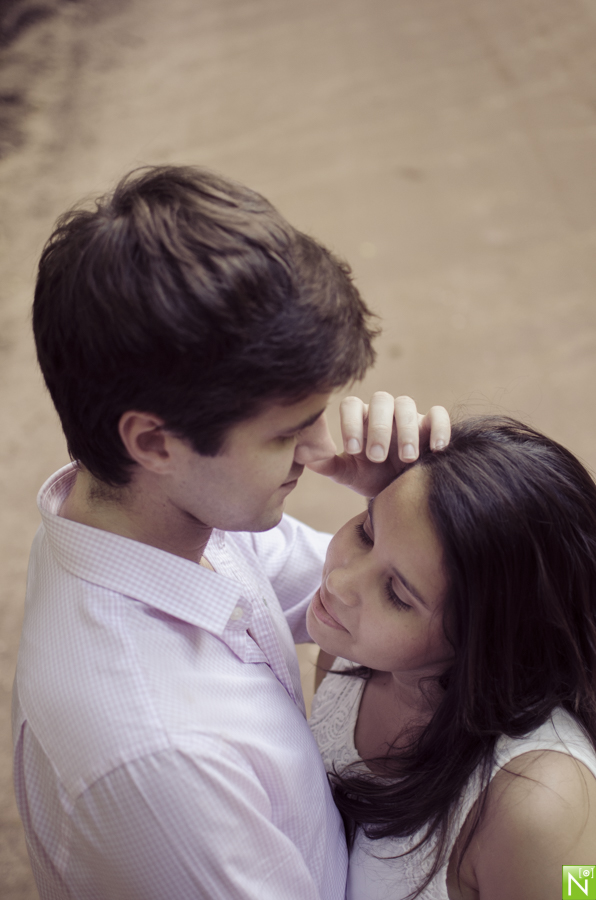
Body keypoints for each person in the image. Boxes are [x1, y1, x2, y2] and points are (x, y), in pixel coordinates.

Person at [12, 164, 450, 899]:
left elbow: (358, 598)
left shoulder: (156, 516)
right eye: (287, 433)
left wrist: (402, 506)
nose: (321, 451)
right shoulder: (160, 758)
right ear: (155, 443)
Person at [308, 416, 596, 900]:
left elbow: (581, 889)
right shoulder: (349, 653)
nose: (338, 583)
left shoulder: (547, 809)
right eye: (366, 532)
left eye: (397, 594)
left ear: (482, 639)